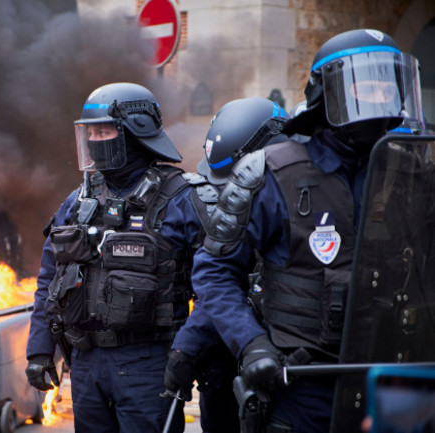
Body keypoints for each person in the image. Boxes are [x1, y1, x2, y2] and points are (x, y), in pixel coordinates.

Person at [171, 28, 423, 433]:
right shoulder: (269, 173)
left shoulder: (415, 171)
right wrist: (250, 344)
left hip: (398, 382)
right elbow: (215, 272)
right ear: (327, 93)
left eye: (386, 86)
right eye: (365, 86)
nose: (378, 99)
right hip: (303, 388)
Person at [25, 82, 203, 433]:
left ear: (134, 134)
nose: (94, 140)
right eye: (90, 132)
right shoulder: (78, 202)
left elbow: (213, 287)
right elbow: (49, 277)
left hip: (148, 363)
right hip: (86, 364)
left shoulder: (181, 200)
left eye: (104, 131)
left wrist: (189, 353)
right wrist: (40, 348)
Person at [163, 96, 288, 433]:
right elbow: (220, 284)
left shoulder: (296, 199)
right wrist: (188, 348)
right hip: (227, 367)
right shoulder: (225, 210)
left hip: (292, 370)